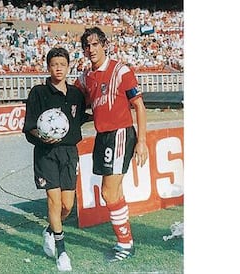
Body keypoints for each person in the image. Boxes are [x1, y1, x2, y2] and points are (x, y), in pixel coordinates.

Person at [74, 27, 148, 262]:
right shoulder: (86, 77)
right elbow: (72, 98)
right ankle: (126, 242)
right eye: (87, 46)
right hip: (102, 137)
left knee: (108, 192)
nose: (91, 49)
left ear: (104, 45)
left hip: (120, 134)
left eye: (95, 44)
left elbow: (139, 106)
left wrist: (142, 142)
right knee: (115, 192)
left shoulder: (120, 70)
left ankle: (125, 244)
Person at [22, 47, 87, 271]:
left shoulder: (77, 94)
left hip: (69, 153)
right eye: (54, 64)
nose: (58, 68)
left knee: (68, 205)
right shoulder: (39, 92)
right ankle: (62, 252)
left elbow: (81, 119)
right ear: (48, 67)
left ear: (68, 67)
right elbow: (29, 126)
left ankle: (50, 230)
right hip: (46, 154)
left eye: (62, 64)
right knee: (54, 201)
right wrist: (41, 136)